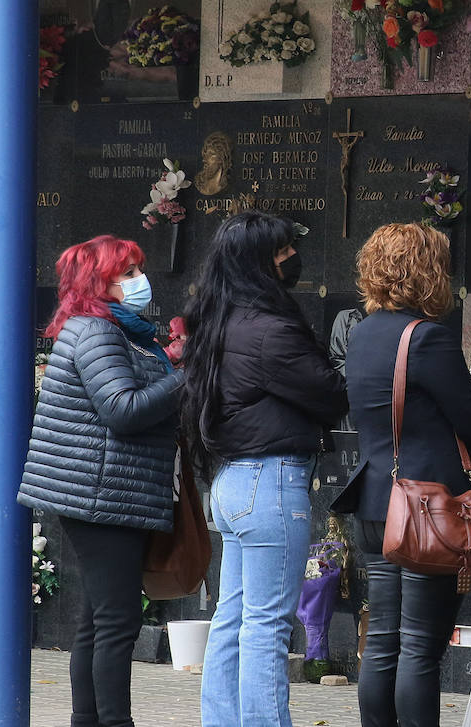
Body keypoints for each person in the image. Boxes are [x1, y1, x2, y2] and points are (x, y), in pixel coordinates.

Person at [331, 222, 471, 727]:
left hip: (373, 504)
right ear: (428, 272)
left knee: (383, 640)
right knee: (420, 648)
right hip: (426, 510)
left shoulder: (361, 332)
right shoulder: (427, 338)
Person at [179, 212, 348, 726]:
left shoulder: (220, 320)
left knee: (232, 618)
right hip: (270, 482)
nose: (290, 260)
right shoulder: (268, 329)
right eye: (279, 253)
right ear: (257, 264)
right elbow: (330, 393)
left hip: (232, 483)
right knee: (267, 626)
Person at [19, 235, 183, 727]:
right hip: (100, 493)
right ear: (98, 282)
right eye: (127, 274)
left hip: (108, 490)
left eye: (138, 270)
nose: (139, 282)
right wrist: (189, 373)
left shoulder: (119, 330)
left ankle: (87, 720)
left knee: (96, 621)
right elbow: (123, 410)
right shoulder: (96, 333)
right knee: (117, 622)